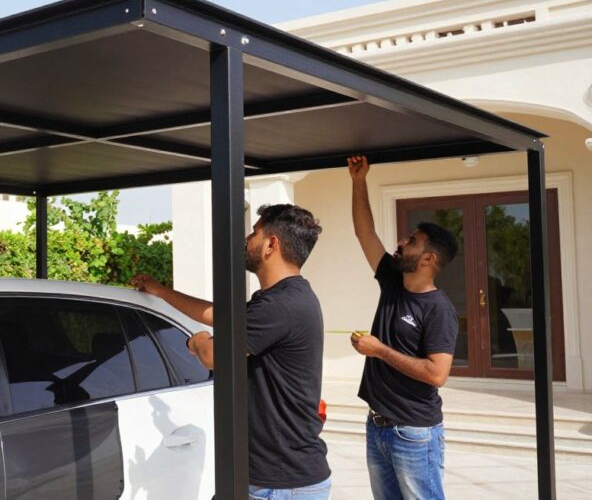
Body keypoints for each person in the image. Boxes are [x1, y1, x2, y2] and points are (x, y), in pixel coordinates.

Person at [132, 204, 331, 499]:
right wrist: (161, 291)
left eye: (254, 232)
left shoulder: (280, 306)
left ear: (271, 245)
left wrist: (197, 341)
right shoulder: (285, 298)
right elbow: (219, 313)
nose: (248, 239)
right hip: (276, 478)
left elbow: (214, 356)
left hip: (279, 484)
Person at [347, 155, 459, 500]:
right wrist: (358, 180)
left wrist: (379, 350)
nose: (402, 243)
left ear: (429, 259)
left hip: (414, 432)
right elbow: (365, 232)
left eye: (412, 241)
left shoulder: (440, 310)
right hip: (377, 424)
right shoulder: (393, 281)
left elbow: (437, 374)